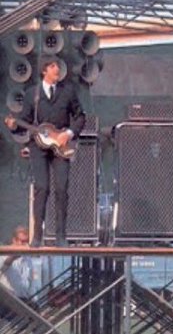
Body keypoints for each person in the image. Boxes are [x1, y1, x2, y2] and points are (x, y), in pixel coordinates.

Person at [4, 55, 86, 248]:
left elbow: (80, 116)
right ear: (44, 71)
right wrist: (13, 125)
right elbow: (23, 121)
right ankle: (37, 237)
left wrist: (69, 133)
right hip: (38, 147)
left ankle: (61, 236)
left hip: (61, 146)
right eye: (52, 66)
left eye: (57, 65)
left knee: (62, 188)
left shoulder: (68, 92)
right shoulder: (33, 93)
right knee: (42, 188)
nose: (56, 69)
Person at [0, 226, 34, 303]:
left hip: (24, 299)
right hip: (8, 299)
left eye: (26, 241)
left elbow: (30, 280)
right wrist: (12, 258)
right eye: (22, 241)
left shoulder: (28, 258)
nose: (25, 244)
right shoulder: (3, 253)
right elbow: (2, 267)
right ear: (14, 240)